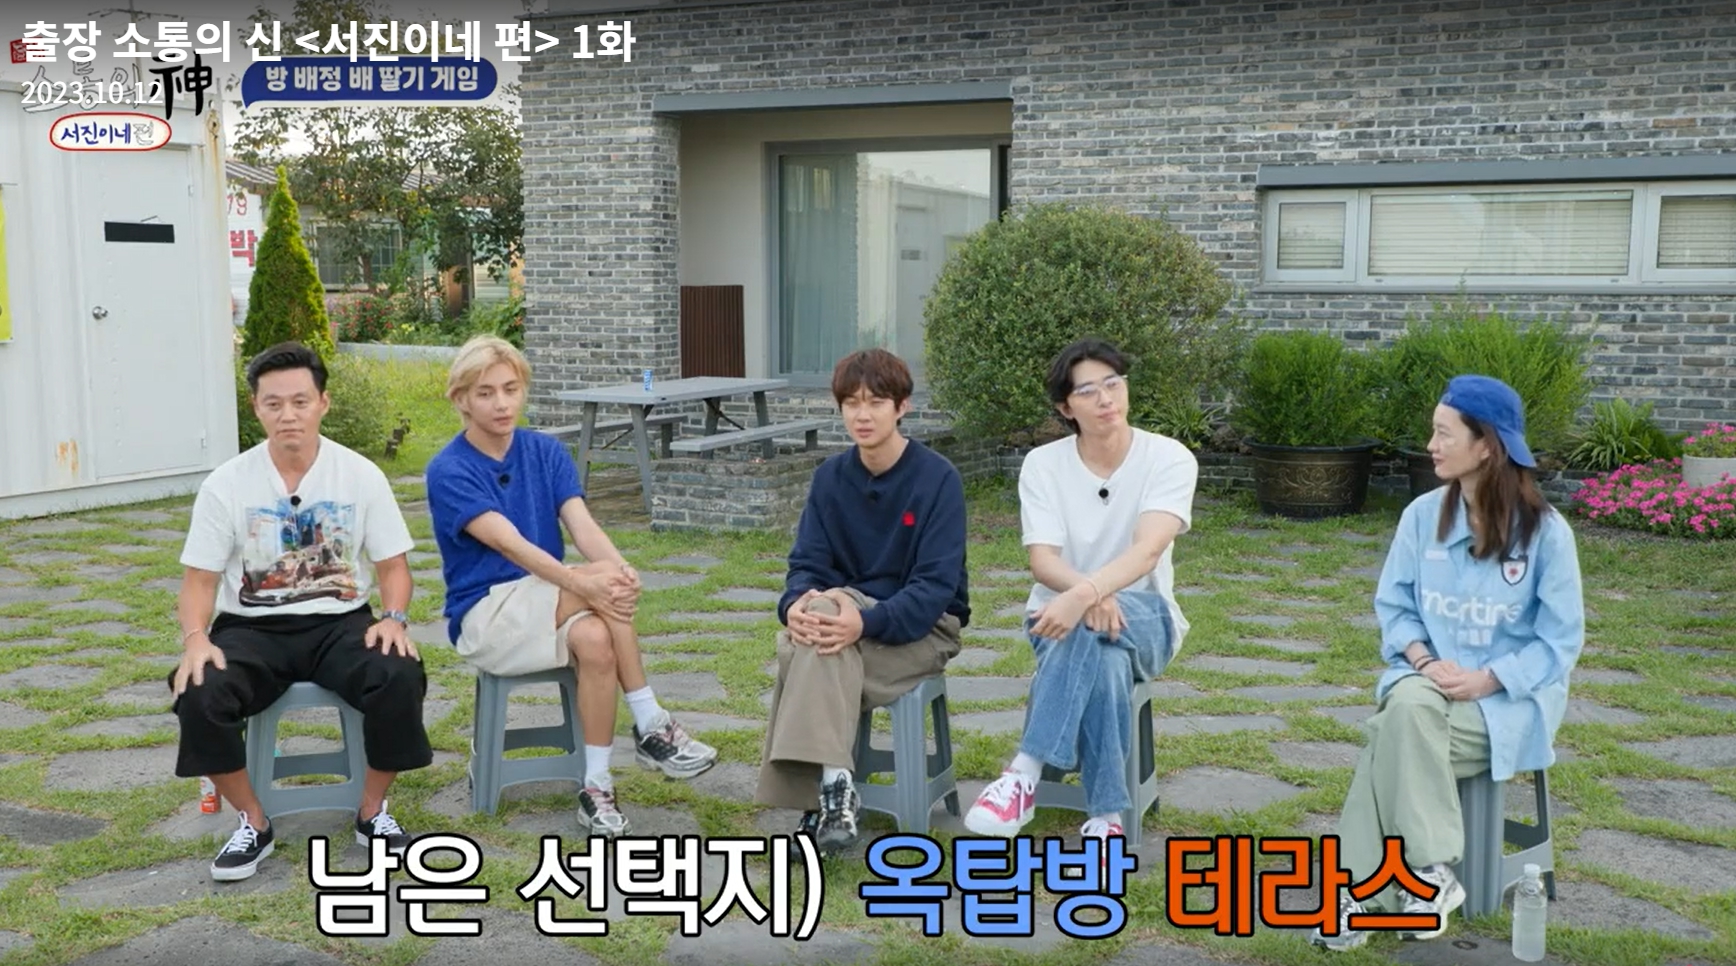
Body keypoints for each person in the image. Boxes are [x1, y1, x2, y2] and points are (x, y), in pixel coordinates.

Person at [1309, 374, 1585, 952]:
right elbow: (1395, 607)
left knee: (1391, 732)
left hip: (1506, 707)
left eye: (1443, 433)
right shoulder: (1420, 517)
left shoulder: (1546, 534)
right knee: (1409, 707)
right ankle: (1427, 872)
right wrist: (1425, 660)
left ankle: (1366, 892)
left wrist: (1488, 679)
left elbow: (1560, 642)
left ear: (1486, 445)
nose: (1431, 446)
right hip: (1424, 685)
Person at [425, 336, 717, 838]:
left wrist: (620, 571)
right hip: (487, 614)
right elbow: (513, 546)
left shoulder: (544, 451)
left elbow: (582, 527)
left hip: (549, 601)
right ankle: (649, 720)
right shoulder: (448, 469)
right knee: (596, 584)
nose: (501, 403)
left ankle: (596, 784)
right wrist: (590, 584)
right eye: (485, 393)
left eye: (510, 389)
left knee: (598, 640)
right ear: (461, 400)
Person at [170, 342, 431, 882]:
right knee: (198, 689)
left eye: (300, 401)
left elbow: (393, 567)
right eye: (273, 404)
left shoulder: (360, 475)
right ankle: (253, 819)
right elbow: (199, 580)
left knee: (398, 672)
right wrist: (196, 637)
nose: (287, 414)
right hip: (250, 627)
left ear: (323, 403)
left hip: (341, 621)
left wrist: (394, 618)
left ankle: (372, 811)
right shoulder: (226, 484)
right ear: (256, 408)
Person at [963, 339, 1197, 857]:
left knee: (1088, 629)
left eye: (1113, 384)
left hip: (1148, 618)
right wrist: (1085, 599)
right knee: (1105, 664)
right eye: (1088, 391)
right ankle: (1107, 818)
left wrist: (1085, 593)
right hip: (1057, 618)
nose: (1105, 398)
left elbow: (1148, 551)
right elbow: (1043, 561)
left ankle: (1023, 773)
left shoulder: (1168, 457)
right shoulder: (1043, 465)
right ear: (1066, 407)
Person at [756, 348, 971, 854]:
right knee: (820, 625)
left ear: (902, 407)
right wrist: (794, 606)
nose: (862, 414)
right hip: (842, 619)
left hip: (923, 628)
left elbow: (933, 589)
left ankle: (823, 797)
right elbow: (806, 565)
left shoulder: (937, 479)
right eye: (851, 403)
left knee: (805, 651)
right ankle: (836, 793)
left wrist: (865, 622)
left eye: (876, 402)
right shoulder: (831, 477)